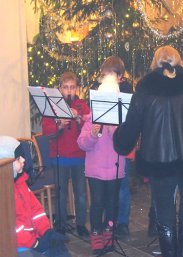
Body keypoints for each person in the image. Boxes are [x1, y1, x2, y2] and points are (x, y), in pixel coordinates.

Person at [113, 45, 183, 257]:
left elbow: (132, 124)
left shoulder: (145, 87)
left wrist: (120, 139)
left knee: (164, 214)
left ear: (155, 62)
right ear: (178, 61)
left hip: (159, 161)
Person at [77, 73, 126, 254]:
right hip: (96, 171)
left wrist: (114, 131)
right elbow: (82, 144)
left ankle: (109, 232)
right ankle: (96, 234)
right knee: (97, 203)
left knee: (112, 203)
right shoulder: (91, 119)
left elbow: (125, 144)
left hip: (115, 169)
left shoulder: (122, 120)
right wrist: (93, 134)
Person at [0, 136, 70, 256]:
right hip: (18, 245)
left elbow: (36, 210)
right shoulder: (4, 192)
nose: (23, 160)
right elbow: (11, 230)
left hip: (33, 238)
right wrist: (35, 244)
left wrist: (47, 231)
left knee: (60, 251)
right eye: (18, 158)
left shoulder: (21, 182)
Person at [42, 71, 90, 237]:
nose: (69, 91)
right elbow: (47, 132)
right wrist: (59, 126)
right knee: (61, 193)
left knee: (81, 193)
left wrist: (79, 120)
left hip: (78, 155)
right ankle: (61, 225)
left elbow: (90, 128)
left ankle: (81, 225)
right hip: (59, 155)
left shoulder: (82, 105)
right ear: (60, 88)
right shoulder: (52, 106)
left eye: (72, 87)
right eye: (65, 87)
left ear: (76, 89)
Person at [100, 55, 134, 239]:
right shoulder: (99, 90)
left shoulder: (126, 90)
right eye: (105, 75)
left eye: (111, 75)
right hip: (104, 147)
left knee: (122, 186)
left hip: (121, 144)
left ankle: (122, 222)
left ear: (120, 76)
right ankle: (108, 220)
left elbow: (131, 118)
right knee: (105, 185)